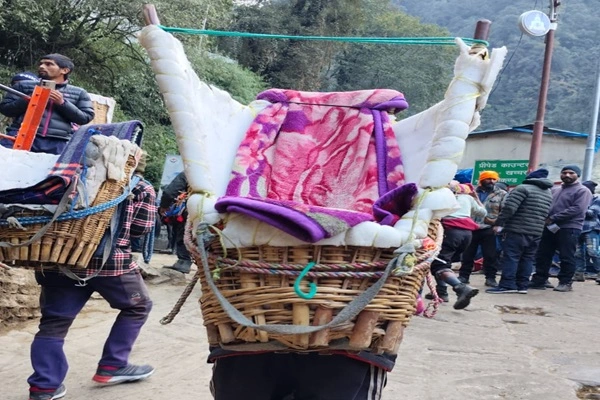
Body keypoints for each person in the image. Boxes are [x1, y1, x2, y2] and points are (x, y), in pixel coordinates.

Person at [27, 159, 157, 400]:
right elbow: (141, 229)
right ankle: (113, 364)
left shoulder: (61, 179)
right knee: (138, 307)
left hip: (58, 258)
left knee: (53, 324)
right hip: (109, 263)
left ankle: (44, 386)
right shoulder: (140, 187)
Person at [0, 54, 94, 154]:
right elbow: (5, 109)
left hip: (57, 142)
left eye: (49, 64)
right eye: (41, 63)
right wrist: (30, 99)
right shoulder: (23, 86)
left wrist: (62, 103)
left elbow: (85, 118)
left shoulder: (79, 93)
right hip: (19, 135)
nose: (42, 66)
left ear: (64, 70)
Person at [486, 168, 553, 294]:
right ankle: (522, 285)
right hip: (536, 231)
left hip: (517, 229)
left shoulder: (522, 188)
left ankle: (507, 284)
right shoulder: (548, 192)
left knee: (511, 257)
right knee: (527, 258)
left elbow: (509, 208)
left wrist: (499, 223)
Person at [529, 165, 592, 292]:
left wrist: (553, 218)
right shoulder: (555, 189)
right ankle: (540, 280)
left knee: (566, 255)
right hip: (549, 227)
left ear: (577, 175)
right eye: (564, 173)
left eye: (571, 173)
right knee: (543, 254)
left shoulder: (583, 191)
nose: (567, 175)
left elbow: (577, 209)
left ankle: (565, 282)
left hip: (569, 227)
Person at [427, 181, 486, 308]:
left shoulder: (442, 197)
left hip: (450, 232)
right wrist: (476, 198)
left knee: (439, 265)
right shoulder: (468, 198)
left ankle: (460, 287)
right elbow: (483, 213)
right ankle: (441, 292)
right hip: (467, 235)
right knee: (443, 262)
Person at [458, 170, 507, 287]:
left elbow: (504, 211)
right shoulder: (471, 192)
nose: (491, 181)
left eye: (494, 179)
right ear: (481, 180)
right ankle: (464, 276)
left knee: (490, 255)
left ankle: (490, 278)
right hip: (471, 227)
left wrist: (499, 225)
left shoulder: (501, 194)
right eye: (488, 178)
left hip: (489, 228)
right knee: (467, 254)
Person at [159, 171, 193, 273]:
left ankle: (184, 261)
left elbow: (169, 192)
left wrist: (164, 206)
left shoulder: (190, 173)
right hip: (221, 212)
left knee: (184, 234)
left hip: (193, 210)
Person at [574, 180, 600, 281]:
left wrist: (578, 208)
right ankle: (579, 274)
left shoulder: (597, 199)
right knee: (577, 253)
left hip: (591, 228)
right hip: (577, 228)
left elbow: (592, 213)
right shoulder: (579, 198)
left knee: (592, 252)